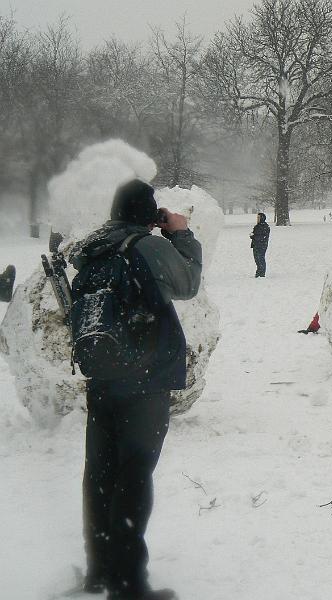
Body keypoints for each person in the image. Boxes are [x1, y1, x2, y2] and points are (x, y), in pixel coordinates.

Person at [70, 179, 201, 600]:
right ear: (149, 214)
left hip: (101, 372)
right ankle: (129, 585)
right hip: (143, 378)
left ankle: (100, 571)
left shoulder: (93, 250)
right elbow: (188, 284)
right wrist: (179, 233)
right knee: (134, 475)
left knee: (100, 474)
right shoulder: (146, 246)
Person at [250, 212, 270, 277]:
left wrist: (254, 236)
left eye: (258, 217)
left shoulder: (265, 226)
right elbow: (256, 234)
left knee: (261, 258)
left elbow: (263, 237)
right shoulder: (257, 226)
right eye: (257, 217)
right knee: (257, 259)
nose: (257, 219)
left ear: (262, 218)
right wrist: (252, 235)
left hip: (262, 245)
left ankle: (262, 273)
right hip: (255, 245)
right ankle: (258, 272)